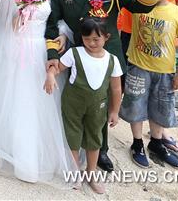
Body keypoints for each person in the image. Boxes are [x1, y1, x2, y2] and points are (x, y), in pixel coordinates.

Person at [45, 0, 158, 172]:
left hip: (108, 56)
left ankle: (101, 150)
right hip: (77, 57)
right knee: (77, 104)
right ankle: (75, 150)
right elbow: (52, 25)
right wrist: (53, 55)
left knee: (103, 105)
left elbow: (142, 6)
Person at [0, 0, 75, 184]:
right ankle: (17, 152)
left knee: (41, 99)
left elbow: (57, 21)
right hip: (17, 49)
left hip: (41, 50)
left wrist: (62, 35)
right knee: (19, 98)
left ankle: (40, 151)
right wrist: (21, 11)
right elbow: (5, 29)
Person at [116, 0, 178, 169]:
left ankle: (156, 143)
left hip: (165, 70)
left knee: (161, 107)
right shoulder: (140, 4)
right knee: (135, 105)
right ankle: (137, 143)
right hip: (138, 67)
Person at [45, 18, 123, 195]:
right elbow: (58, 68)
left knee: (94, 138)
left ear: (106, 37)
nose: (92, 43)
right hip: (73, 103)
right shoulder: (75, 53)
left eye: (96, 39)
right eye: (87, 39)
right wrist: (50, 74)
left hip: (98, 106)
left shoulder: (113, 60)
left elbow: (116, 88)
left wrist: (115, 111)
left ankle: (91, 172)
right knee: (73, 135)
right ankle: (75, 173)